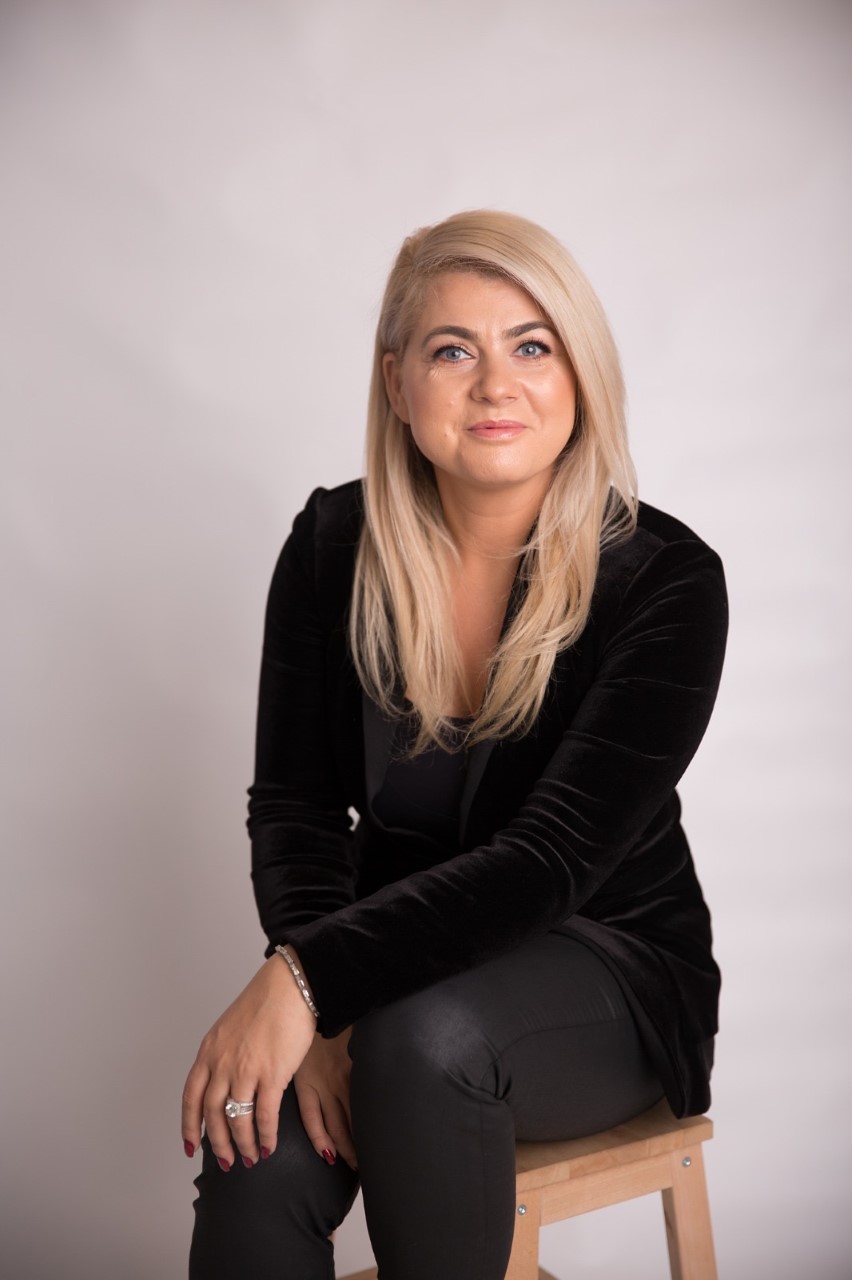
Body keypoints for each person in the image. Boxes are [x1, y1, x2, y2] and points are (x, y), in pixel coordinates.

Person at [182, 209, 728, 1280]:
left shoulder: (666, 581)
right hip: (382, 968)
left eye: (532, 344)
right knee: (256, 1129)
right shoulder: (332, 547)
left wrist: (307, 980)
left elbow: (549, 861)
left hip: (605, 970)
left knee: (422, 1042)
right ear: (397, 384)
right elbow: (295, 808)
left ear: (580, 374)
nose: (495, 384)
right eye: (451, 350)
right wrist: (320, 999)